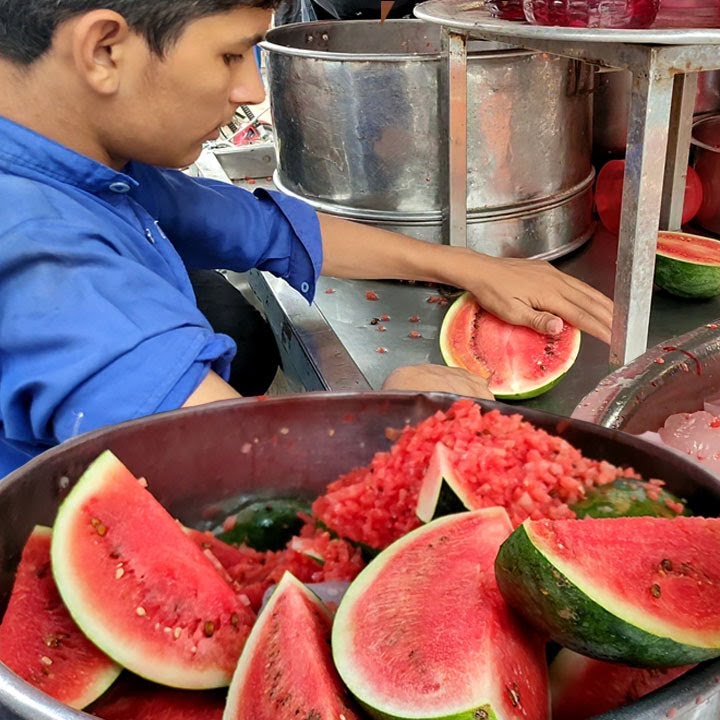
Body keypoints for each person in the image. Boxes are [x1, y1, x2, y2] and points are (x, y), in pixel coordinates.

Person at [0, 0, 615, 476]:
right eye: (232, 55)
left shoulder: (90, 163)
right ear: (104, 49)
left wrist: (468, 267)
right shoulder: (38, 253)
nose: (253, 91)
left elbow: (262, 225)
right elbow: (230, 456)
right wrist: (390, 417)